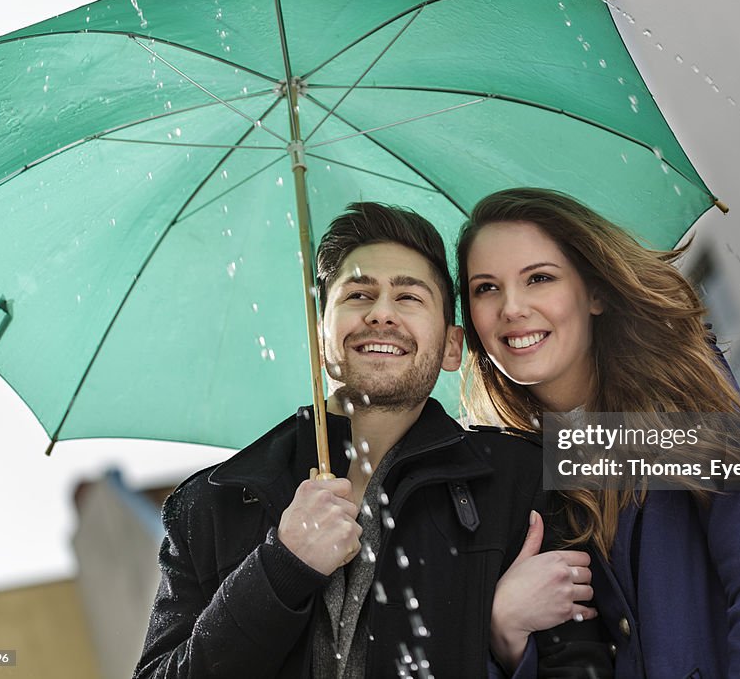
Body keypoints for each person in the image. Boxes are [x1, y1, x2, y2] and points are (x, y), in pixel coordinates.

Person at [134, 202, 547, 678]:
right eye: (357, 295)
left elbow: (584, 662)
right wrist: (280, 567)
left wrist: (506, 637)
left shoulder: (519, 480)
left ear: (452, 346)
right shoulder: (212, 505)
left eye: (409, 298)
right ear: (319, 336)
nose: (381, 315)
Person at [459, 188, 740, 678]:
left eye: (539, 278)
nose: (512, 307)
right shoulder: (501, 478)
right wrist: (504, 632)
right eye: (486, 288)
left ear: (593, 292)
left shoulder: (679, 394)